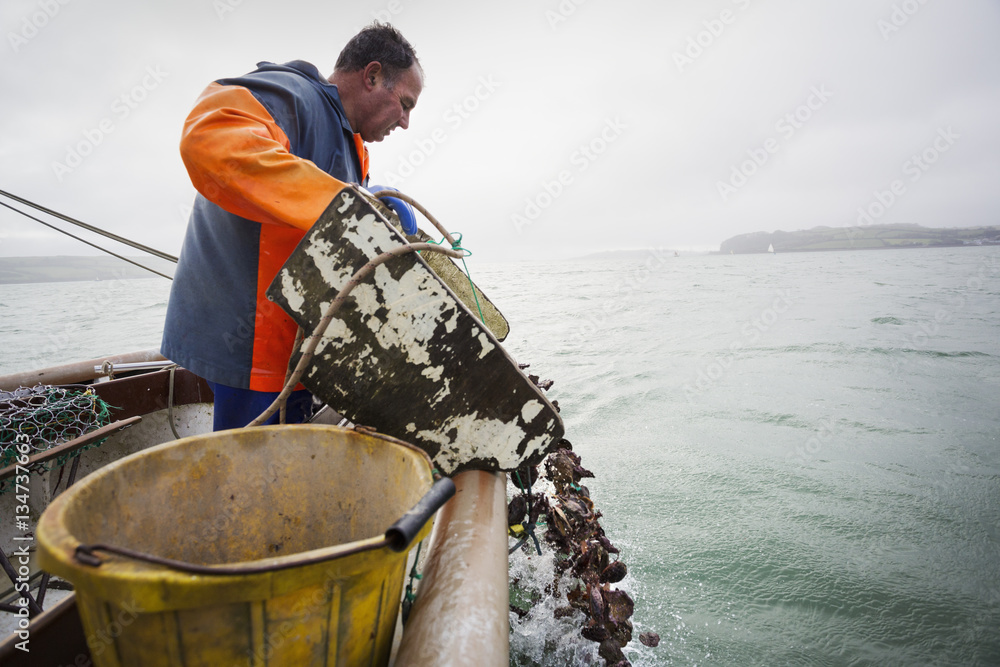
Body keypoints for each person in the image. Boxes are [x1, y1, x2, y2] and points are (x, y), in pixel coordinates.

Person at [161, 22, 423, 430]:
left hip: (297, 352)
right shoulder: (294, 93)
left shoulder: (354, 147)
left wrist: (368, 201)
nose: (405, 121)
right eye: (405, 103)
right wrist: (350, 203)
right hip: (249, 349)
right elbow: (209, 136)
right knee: (251, 483)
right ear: (372, 76)